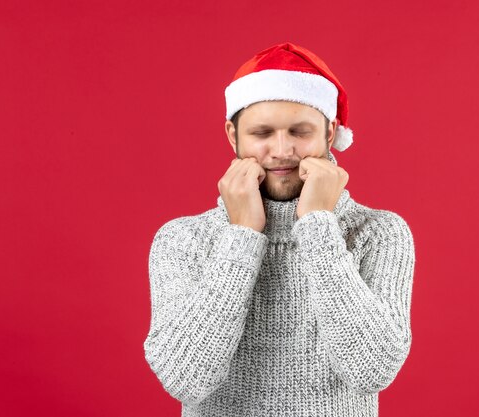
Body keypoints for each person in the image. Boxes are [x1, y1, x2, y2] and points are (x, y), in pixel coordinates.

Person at [143, 42, 416, 416]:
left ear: (330, 132)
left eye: (299, 131)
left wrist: (319, 226)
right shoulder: (183, 240)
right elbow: (184, 378)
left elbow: (371, 370)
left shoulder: (378, 234)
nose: (281, 150)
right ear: (232, 135)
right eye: (262, 133)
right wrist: (242, 236)